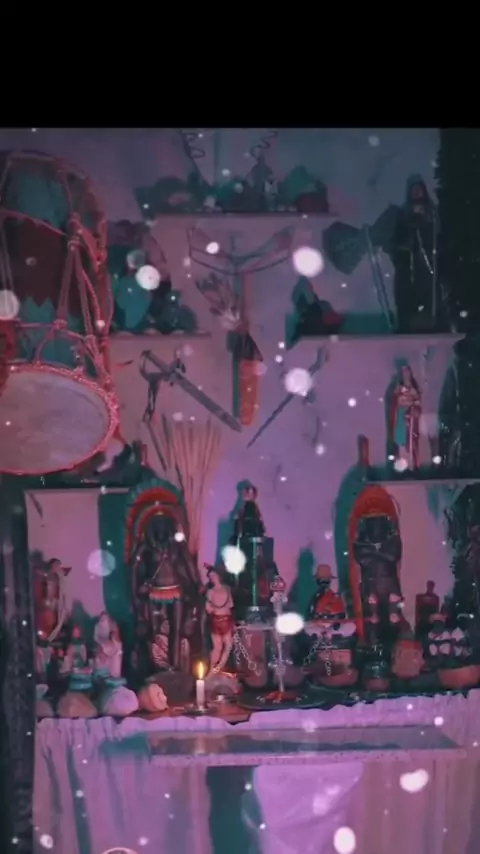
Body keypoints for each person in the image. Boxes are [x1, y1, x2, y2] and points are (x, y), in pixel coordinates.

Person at [204, 565, 234, 672]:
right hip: (219, 620)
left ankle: (217, 668)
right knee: (218, 647)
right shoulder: (211, 592)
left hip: (225, 620)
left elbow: (230, 605)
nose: (212, 578)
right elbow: (208, 609)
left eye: (213, 576)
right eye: (210, 577)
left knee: (227, 646)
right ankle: (212, 669)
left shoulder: (225, 589)